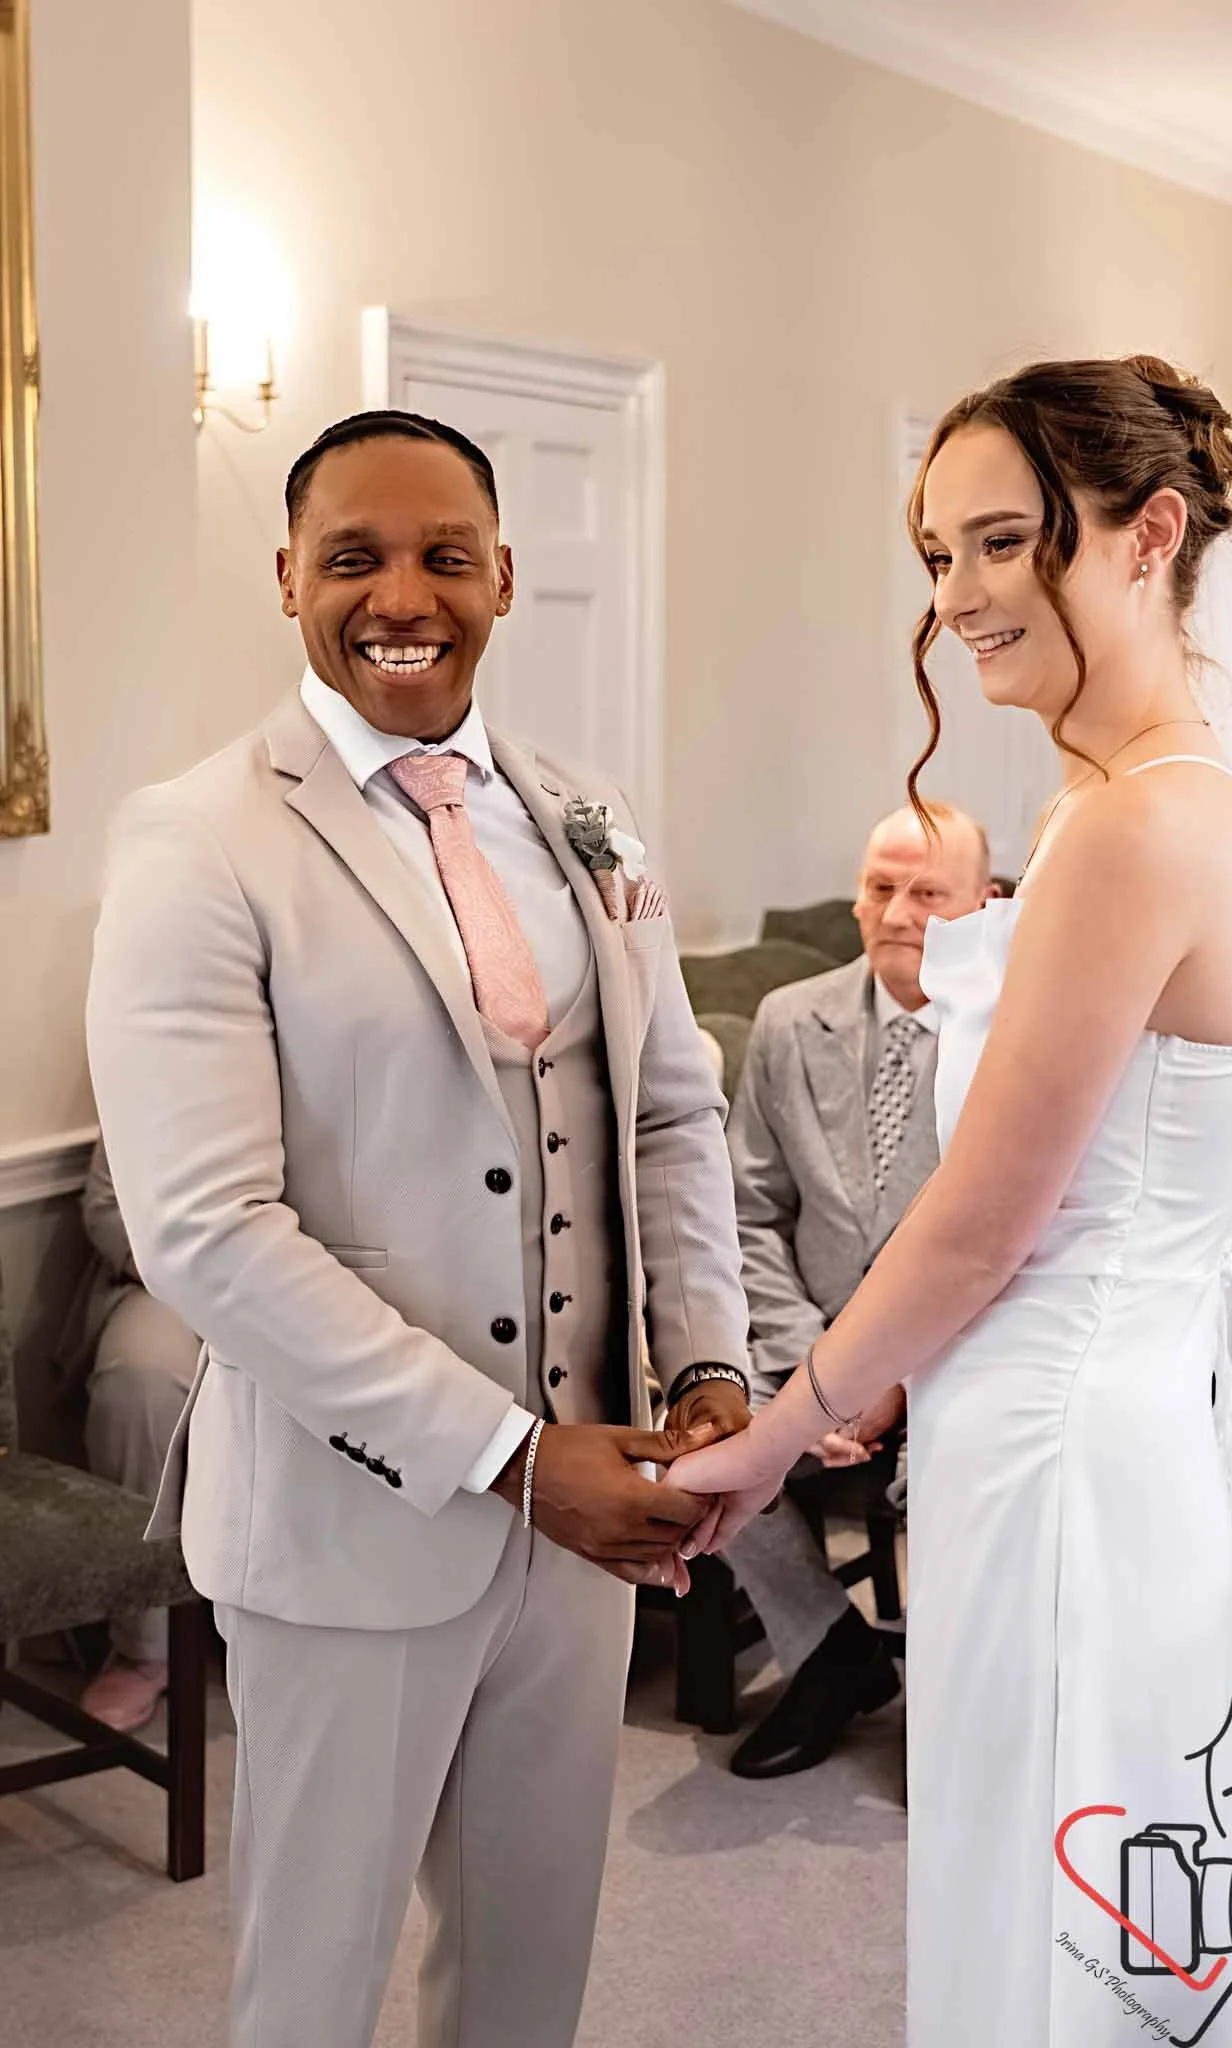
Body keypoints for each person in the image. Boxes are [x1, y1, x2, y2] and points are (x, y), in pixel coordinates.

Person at [675, 357, 1232, 2046]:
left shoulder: (1140, 829)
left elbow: (990, 1221)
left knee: (1067, 1916)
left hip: (1066, 1459)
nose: (958, 595)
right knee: (1082, 1885)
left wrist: (777, 1432)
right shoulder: (1128, 804)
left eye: (1001, 541)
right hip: (1082, 1428)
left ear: (1151, 536)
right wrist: (897, 1378)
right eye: (934, 553)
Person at [86, 410, 752, 2048]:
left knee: (530, 1973)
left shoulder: (588, 814)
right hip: (350, 1523)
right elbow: (209, 1232)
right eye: (355, 557)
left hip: (592, 1518)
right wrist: (516, 1452)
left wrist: (715, 1369)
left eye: (447, 555)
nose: (405, 593)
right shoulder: (200, 835)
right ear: (287, 579)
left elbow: (668, 1105)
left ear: (505, 577)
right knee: (312, 1988)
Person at [722, 801, 993, 1778]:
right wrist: (814, 1364)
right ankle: (830, 1651)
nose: (899, 910)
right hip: (810, 1339)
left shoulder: (1013, 1035)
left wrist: (894, 1374)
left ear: (983, 904)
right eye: (881, 886)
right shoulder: (793, 1023)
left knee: (962, 1474)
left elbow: (1017, 1241)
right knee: (708, 1436)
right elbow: (748, 1209)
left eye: (929, 892)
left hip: (957, 1353)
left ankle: (957, 1711)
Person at [68, 1134, 201, 1729]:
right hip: (169, 1277)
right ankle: (143, 1646)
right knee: (139, 1379)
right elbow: (107, 1205)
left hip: (330, 1283)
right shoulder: (162, 1041)